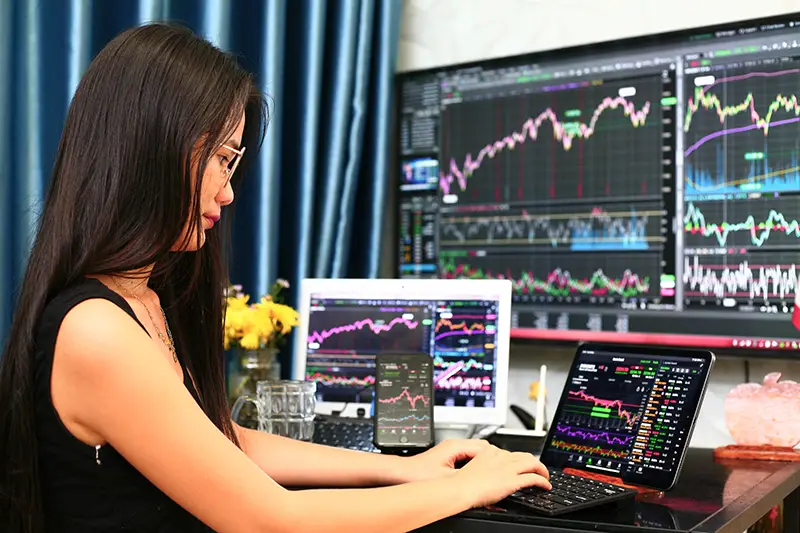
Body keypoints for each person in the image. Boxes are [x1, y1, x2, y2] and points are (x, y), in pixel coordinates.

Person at [0, 23, 551, 533]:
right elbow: (270, 521)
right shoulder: (96, 329)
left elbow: (226, 439)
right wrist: (465, 489)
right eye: (219, 158)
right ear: (152, 148)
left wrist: (404, 471)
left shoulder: (140, 295)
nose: (228, 191)